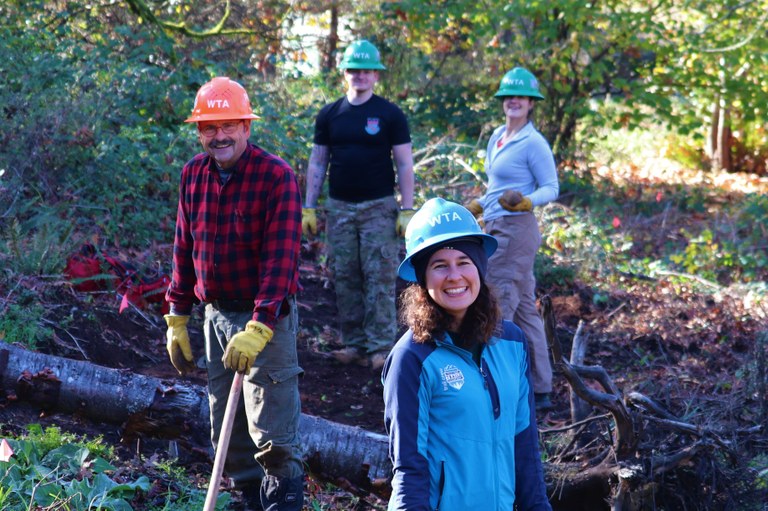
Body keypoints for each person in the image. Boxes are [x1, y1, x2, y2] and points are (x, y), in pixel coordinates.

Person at [164, 77, 304, 511]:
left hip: (267, 320)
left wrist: (259, 327)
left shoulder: (276, 176)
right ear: (199, 131)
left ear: (246, 125)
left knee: (273, 438)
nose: (218, 136)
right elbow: (183, 248)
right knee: (228, 435)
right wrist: (177, 316)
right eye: (209, 127)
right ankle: (248, 500)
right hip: (215, 317)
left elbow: (281, 261)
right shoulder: (193, 174)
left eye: (228, 125)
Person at [382, 197, 551, 510]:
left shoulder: (512, 343)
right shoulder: (412, 358)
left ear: (480, 268)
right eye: (440, 266)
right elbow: (408, 466)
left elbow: (525, 448)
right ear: (422, 278)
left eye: (464, 262)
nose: (454, 276)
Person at [301, 39, 415, 371]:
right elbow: (318, 162)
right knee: (345, 275)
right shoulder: (330, 114)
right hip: (339, 208)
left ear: (376, 75)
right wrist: (309, 206)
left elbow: (405, 164)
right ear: (345, 73)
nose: (360, 76)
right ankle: (353, 343)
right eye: (354, 70)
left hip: (378, 207)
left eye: (366, 71)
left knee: (378, 276)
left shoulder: (390, 114)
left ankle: (380, 348)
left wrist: (406, 209)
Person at [466, 67, 559, 411]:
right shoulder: (498, 136)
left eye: (521, 97)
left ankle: (498, 383)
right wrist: (479, 204)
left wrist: (527, 201)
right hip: (494, 224)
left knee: (498, 300)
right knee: (523, 309)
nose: (514, 101)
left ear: (531, 103)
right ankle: (539, 387)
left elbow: (551, 187)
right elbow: (495, 185)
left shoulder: (534, 142)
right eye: (509, 96)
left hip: (516, 228)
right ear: (503, 101)